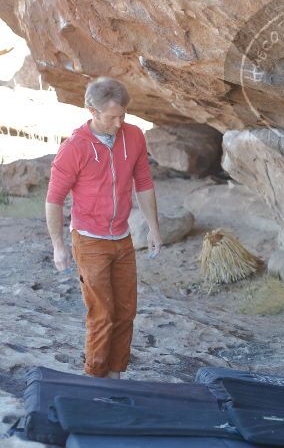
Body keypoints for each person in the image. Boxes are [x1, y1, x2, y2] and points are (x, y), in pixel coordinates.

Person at [45, 77, 162, 378]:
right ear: (91, 111)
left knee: (125, 312)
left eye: (123, 115)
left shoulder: (134, 136)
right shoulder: (74, 147)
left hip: (122, 238)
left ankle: (116, 376)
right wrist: (59, 245)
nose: (119, 123)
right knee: (102, 314)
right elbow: (54, 199)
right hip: (89, 240)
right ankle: (93, 379)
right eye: (112, 117)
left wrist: (153, 229)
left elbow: (144, 183)